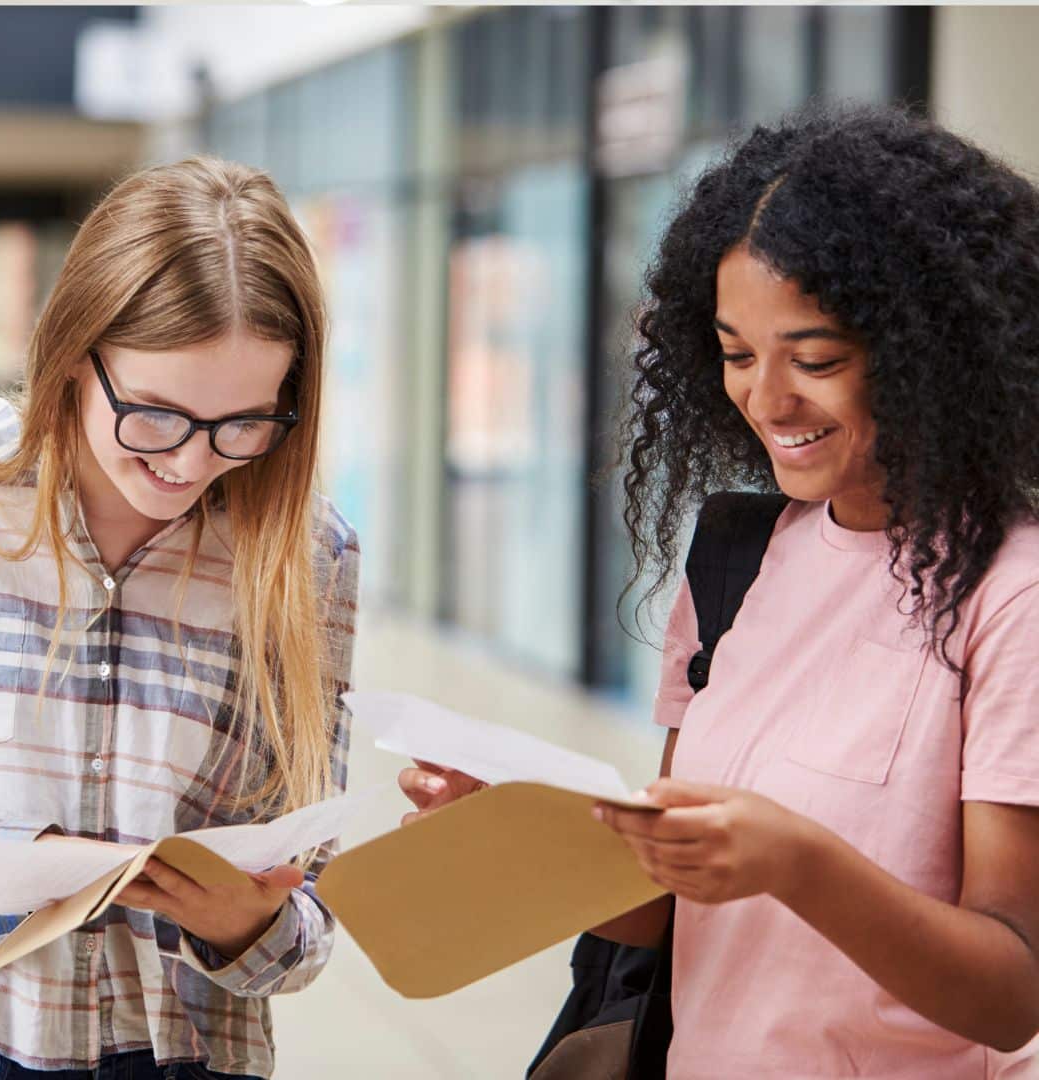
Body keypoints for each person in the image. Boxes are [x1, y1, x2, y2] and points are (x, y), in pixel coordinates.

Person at [400, 104, 1039, 1077]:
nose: (767, 399)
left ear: (931, 353)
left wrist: (799, 864)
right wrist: (512, 837)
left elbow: (1010, 993)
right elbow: (663, 911)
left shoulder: (1012, 594)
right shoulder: (737, 558)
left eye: (816, 358)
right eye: (738, 354)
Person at [0, 158, 358, 1079]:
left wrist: (249, 923)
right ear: (72, 352)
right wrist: (24, 863)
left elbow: (307, 926)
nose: (190, 462)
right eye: (156, 415)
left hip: (183, 1058)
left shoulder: (308, 557)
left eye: (243, 424)